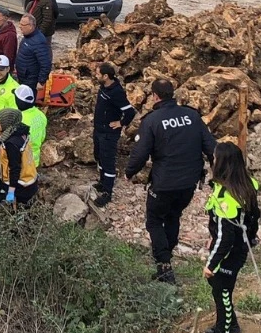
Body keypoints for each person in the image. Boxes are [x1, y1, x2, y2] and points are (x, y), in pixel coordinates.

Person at [124, 79, 216, 284]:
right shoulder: (192, 115)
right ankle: (168, 253)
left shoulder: (152, 120)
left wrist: (129, 173)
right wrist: (219, 177)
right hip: (189, 183)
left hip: (164, 183)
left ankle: (164, 265)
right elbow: (212, 148)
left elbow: (140, 153)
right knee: (174, 216)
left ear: (155, 96)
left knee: (155, 220)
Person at [202, 142, 260, 333]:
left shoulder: (227, 198)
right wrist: (250, 238)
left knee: (221, 292)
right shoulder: (246, 184)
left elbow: (225, 239)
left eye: (215, 159)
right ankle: (230, 324)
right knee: (221, 288)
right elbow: (254, 217)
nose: (212, 162)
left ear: (223, 163)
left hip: (229, 253)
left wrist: (211, 264)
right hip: (240, 248)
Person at [91, 63, 137, 208]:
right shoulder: (104, 87)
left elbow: (130, 111)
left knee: (108, 162)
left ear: (106, 76)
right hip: (98, 130)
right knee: (99, 157)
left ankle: (107, 192)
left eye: (98, 74)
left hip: (108, 133)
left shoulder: (116, 92)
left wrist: (121, 123)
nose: (95, 76)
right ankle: (102, 181)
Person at [0, 108, 38, 206]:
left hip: (21, 186)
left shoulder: (11, 143)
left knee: (19, 213)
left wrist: (11, 191)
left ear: (7, 123)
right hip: (30, 181)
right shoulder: (21, 133)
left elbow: (15, 168)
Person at [15, 13, 51, 93]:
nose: (20, 27)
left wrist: (41, 81)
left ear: (31, 26)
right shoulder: (27, 37)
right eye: (19, 24)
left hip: (30, 80)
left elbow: (45, 63)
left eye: (22, 25)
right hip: (23, 77)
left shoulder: (39, 41)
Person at [14, 85, 47, 167]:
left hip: (22, 161)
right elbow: (42, 137)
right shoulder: (41, 115)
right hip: (35, 160)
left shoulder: (19, 118)